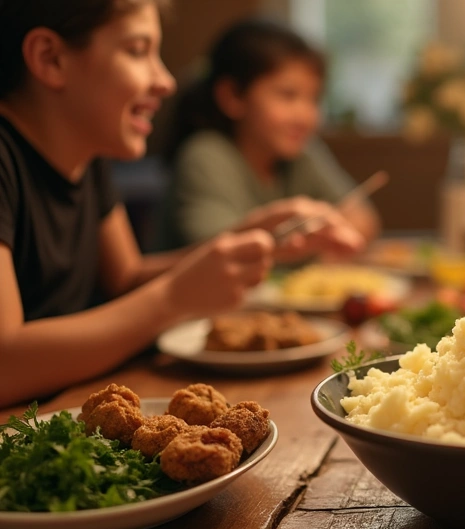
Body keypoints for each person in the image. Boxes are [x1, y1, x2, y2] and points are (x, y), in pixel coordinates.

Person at [0, 0, 363, 407]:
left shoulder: (86, 161)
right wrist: (172, 299)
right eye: (138, 51)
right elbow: (5, 362)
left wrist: (255, 237)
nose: (166, 81)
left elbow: (126, 280)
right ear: (50, 59)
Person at [158, 18, 380, 251]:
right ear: (232, 96)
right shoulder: (205, 157)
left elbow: (364, 220)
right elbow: (220, 257)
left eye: (314, 99)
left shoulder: (302, 153)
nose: (306, 116)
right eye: (287, 95)